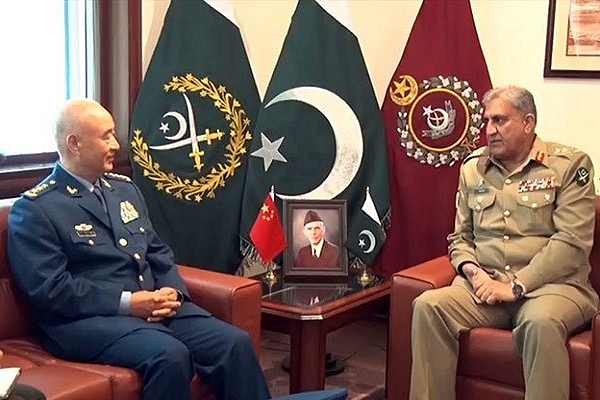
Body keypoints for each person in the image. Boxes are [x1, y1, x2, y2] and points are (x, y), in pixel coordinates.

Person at [6, 99, 271, 400]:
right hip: (85, 322)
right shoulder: (36, 209)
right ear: (75, 143)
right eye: (105, 136)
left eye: (113, 134)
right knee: (169, 355)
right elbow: (50, 291)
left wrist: (172, 291)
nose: (116, 144)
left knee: (234, 343)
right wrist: (129, 303)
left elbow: (157, 251)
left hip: (151, 307)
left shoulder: (124, 189)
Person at [409, 86, 598, 400]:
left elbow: (571, 243)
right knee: (429, 307)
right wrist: (474, 273)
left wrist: (516, 286)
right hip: (485, 286)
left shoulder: (569, 165)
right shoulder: (473, 168)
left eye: (500, 121)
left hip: (554, 287)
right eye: (487, 122)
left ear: (528, 122)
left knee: (540, 323)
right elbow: (460, 238)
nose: (490, 130)